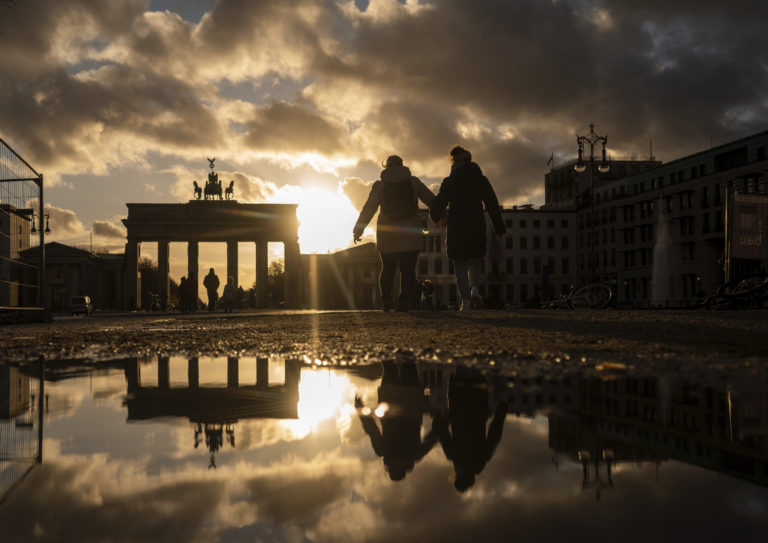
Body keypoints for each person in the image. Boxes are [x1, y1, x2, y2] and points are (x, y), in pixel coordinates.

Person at [353, 155, 435, 311]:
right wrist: (442, 216)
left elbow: (368, 208)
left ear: (386, 167)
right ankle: (404, 301)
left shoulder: (380, 186)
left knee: (388, 268)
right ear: (402, 165)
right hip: (410, 232)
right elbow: (432, 201)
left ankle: (386, 300)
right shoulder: (414, 182)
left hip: (387, 233)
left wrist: (358, 229)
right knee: (408, 270)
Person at [429, 146, 505, 311]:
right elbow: (492, 203)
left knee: (460, 265)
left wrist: (435, 217)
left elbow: (438, 203)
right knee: (475, 260)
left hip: (457, 226)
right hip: (476, 224)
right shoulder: (481, 179)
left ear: (454, 162)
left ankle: (466, 302)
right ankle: (475, 290)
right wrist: (499, 228)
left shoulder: (450, 181)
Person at [355, 361, 438, 481]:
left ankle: (408, 343)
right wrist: (360, 408)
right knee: (389, 365)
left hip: (412, 401)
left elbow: (435, 435)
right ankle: (390, 343)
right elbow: (371, 429)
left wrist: (442, 419)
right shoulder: (382, 450)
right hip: (390, 399)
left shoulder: (416, 454)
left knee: (409, 363)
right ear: (390, 469)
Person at [433, 367, 508, 493]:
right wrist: (439, 418)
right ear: (457, 476)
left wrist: (501, 412)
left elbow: (495, 434)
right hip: (458, 402)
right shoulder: (452, 455)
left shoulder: (482, 459)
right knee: (462, 363)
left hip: (478, 405)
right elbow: (442, 431)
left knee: (477, 365)